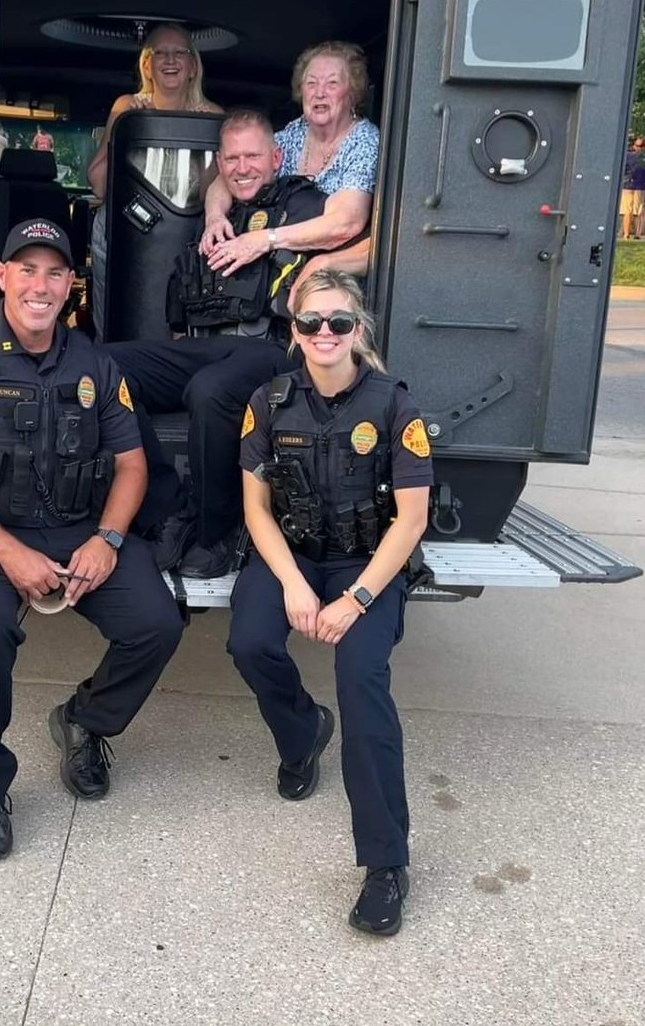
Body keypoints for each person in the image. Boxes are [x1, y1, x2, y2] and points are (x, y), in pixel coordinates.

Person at [0, 218, 185, 861]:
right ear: (3, 277)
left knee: (156, 623)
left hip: (76, 528)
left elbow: (132, 464)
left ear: (71, 285)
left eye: (55, 272)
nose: (41, 284)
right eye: (26, 269)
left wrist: (109, 539)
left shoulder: (95, 362)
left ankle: (85, 723)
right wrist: (10, 553)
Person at [229, 269, 432, 936]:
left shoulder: (393, 405)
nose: (324, 334)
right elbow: (255, 509)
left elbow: (409, 521)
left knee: (359, 678)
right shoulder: (268, 401)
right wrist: (290, 583)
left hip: (365, 563)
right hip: (293, 554)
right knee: (250, 642)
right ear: (293, 331)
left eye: (337, 322)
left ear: (358, 330)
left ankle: (385, 865)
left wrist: (357, 597)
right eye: (310, 323)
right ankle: (300, 733)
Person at [109, 108, 374, 579]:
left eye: (252, 156)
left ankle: (218, 532)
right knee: (109, 366)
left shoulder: (308, 204)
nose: (242, 167)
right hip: (208, 345)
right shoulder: (218, 210)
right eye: (231, 158)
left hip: (276, 350)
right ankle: (168, 506)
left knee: (210, 391)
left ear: (277, 157)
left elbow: (358, 235)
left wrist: (291, 256)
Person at [87, 22, 222, 339]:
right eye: (161, 53)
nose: (170, 60)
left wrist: (203, 132)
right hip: (122, 236)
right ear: (147, 64)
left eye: (180, 53)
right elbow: (98, 184)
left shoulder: (214, 116)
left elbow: (211, 194)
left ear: (192, 66)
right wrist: (125, 125)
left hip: (185, 240)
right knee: (112, 327)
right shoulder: (125, 107)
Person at [200, 41, 379, 265]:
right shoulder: (294, 133)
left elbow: (345, 224)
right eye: (311, 83)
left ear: (352, 93)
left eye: (332, 83)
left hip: (329, 269)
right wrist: (215, 218)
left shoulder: (365, 141)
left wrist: (265, 239)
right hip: (281, 262)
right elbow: (228, 177)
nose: (319, 93)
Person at [621, 137, 645, 240]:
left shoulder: (627, 156)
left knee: (628, 211)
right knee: (638, 211)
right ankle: (637, 234)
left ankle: (627, 234)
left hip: (629, 185)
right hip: (639, 186)